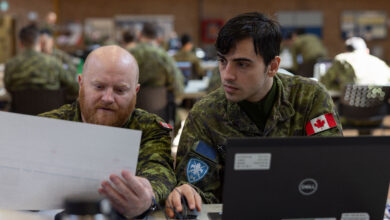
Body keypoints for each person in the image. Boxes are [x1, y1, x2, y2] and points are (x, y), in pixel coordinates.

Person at [165, 12, 343, 217]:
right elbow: (198, 190)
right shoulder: (206, 114)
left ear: (273, 66)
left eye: (242, 64)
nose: (227, 75)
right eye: (223, 61)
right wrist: (189, 192)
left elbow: (332, 170)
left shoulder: (309, 98)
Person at [39, 45, 176, 219]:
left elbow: (160, 173)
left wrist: (148, 196)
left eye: (120, 90)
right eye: (99, 87)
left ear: (135, 92)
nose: (108, 98)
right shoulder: (48, 125)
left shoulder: (150, 128)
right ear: (81, 84)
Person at [4, 24, 78, 101]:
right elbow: (73, 88)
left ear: (20, 44)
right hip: (52, 110)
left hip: (19, 111)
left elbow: (8, 88)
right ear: (39, 42)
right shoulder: (53, 62)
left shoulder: (11, 64)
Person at [130, 22, 184, 123]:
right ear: (158, 37)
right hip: (159, 116)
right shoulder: (164, 57)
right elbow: (178, 87)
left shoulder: (128, 55)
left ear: (140, 35)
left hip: (131, 118)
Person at [320, 37, 390, 92]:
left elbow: (324, 82)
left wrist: (341, 87)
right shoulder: (379, 62)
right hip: (380, 107)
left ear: (346, 51)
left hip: (350, 107)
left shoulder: (342, 59)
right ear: (367, 51)